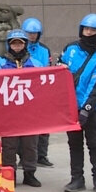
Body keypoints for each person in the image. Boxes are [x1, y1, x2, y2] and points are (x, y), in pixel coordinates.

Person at [60, 13, 96, 192]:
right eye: (86, 29)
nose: (88, 32)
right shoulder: (71, 48)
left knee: (94, 143)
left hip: (92, 108)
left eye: (93, 30)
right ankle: (76, 179)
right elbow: (60, 70)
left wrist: (86, 109)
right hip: (70, 106)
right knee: (74, 144)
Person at [0, 30, 42, 188]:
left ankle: (30, 173)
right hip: (9, 112)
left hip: (30, 111)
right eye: (14, 43)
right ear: (9, 45)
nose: (17, 46)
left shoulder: (35, 63)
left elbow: (42, 84)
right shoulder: (0, 64)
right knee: (9, 145)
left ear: (25, 44)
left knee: (30, 145)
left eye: (20, 43)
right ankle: (10, 174)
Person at [22, 18, 54, 167]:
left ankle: (42, 155)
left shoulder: (44, 50)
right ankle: (24, 157)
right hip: (24, 90)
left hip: (40, 90)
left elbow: (48, 68)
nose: (32, 36)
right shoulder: (19, 47)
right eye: (29, 33)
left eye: (35, 33)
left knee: (44, 126)